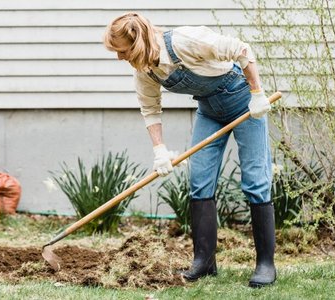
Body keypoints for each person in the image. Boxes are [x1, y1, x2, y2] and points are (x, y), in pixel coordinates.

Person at [103, 12, 276, 288]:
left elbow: (241, 49)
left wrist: (257, 93)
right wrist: (159, 149)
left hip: (245, 103)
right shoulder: (145, 69)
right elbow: (150, 109)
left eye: (121, 51)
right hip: (210, 111)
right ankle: (204, 262)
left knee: (256, 180)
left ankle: (266, 265)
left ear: (135, 44)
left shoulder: (185, 41)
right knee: (199, 182)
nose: (120, 57)